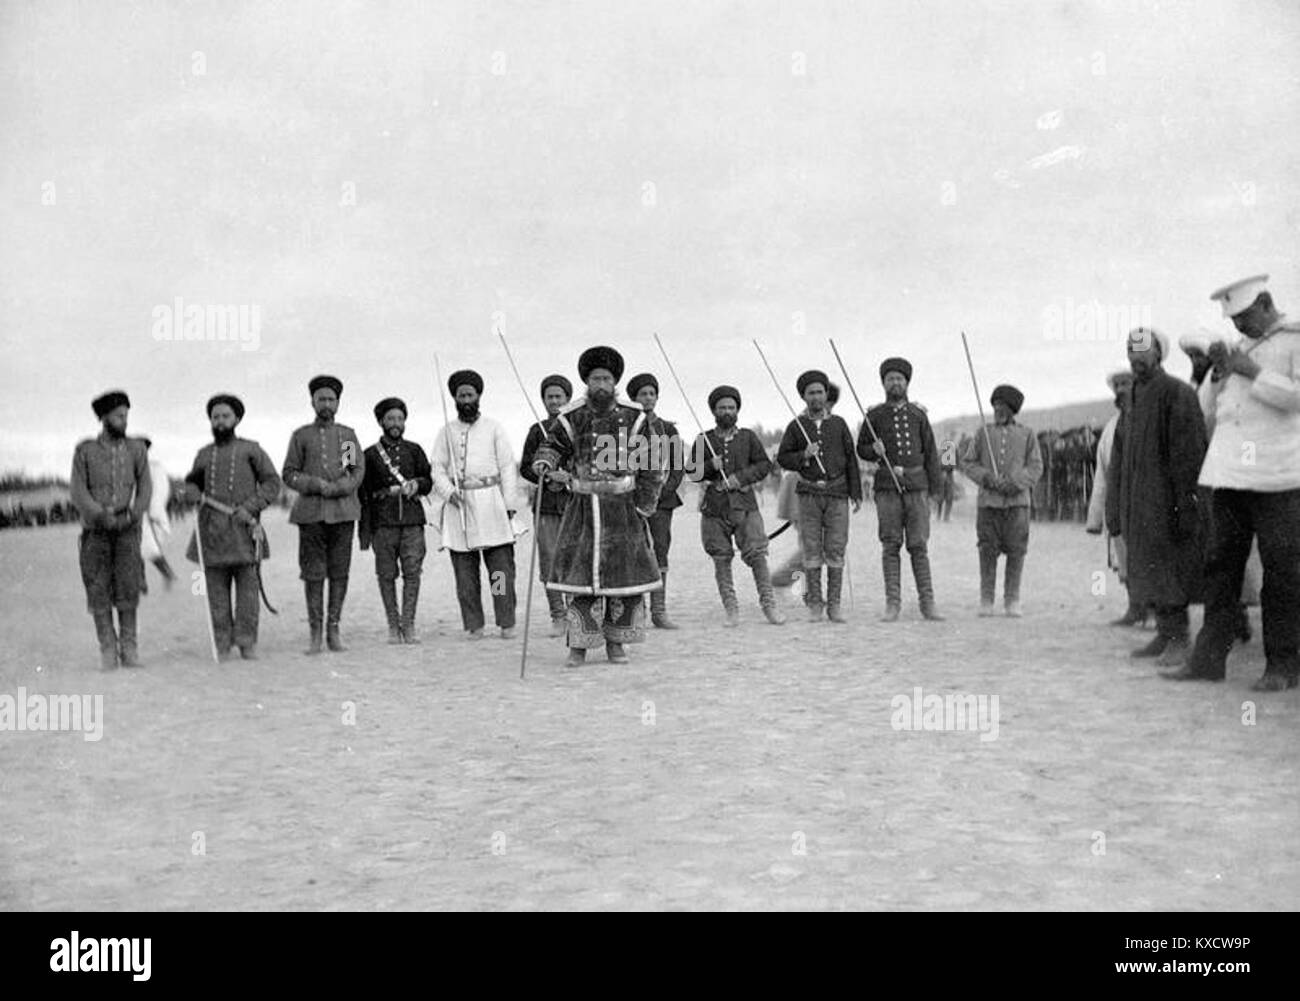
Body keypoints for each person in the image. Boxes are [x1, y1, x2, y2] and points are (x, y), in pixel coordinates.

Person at [1165, 276, 1300, 689]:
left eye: (1243, 317)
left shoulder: (1294, 339)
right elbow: (1206, 405)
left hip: (1278, 475)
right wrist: (1219, 371)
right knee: (1219, 568)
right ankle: (1208, 660)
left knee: (1282, 572)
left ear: (1265, 303)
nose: (1238, 327)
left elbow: (1296, 398)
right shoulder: (1239, 348)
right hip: (1228, 475)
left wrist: (1251, 371)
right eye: (1233, 320)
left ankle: (1282, 666)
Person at [531, 346, 667, 665]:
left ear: (615, 381)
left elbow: (652, 464)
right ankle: (578, 645)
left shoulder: (635, 417)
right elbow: (552, 445)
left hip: (623, 508)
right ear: (587, 382)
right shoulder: (572, 416)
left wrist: (644, 506)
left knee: (624, 580)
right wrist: (544, 461)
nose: (601, 385)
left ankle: (616, 644)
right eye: (595, 379)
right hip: (582, 508)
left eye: (607, 378)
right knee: (581, 579)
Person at [1105, 328, 1208, 668]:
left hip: (1168, 502)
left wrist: (1185, 506)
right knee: (1148, 568)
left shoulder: (1176, 393)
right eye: (1131, 353)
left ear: (1159, 354)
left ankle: (1180, 638)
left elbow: (1188, 455)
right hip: (1139, 503)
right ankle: (1165, 633)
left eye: (1143, 353)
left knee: (1171, 570)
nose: (1136, 360)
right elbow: (1119, 457)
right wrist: (1117, 506)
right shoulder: (1131, 397)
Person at [183, 394, 282, 660]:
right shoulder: (203, 455)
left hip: (244, 531)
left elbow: (273, 483)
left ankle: (247, 642)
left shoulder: (252, 450)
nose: (220, 421)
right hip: (212, 533)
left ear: (236, 419)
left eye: (226, 416)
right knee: (216, 594)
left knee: (248, 594)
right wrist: (190, 491)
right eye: (215, 417)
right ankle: (222, 644)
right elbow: (191, 483)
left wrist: (251, 507)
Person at [431, 369, 522, 640]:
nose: (466, 400)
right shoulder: (445, 432)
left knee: (500, 570)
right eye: (461, 395)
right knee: (465, 573)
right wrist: (449, 492)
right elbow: (437, 468)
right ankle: (474, 625)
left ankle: (506, 622)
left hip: (492, 503)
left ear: (479, 396)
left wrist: (508, 504)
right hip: (460, 506)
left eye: (470, 394)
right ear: (455, 399)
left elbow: (507, 467)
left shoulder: (494, 427)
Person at [282, 374, 365, 654]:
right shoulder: (301, 436)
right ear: (312, 402)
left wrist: (341, 487)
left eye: (331, 399)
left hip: (342, 513)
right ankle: (315, 632)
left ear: (338, 403)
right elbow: (289, 474)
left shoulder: (346, 436)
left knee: (340, 572)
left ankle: (334, 629)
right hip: (311, 514)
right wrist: (314, 484)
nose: (326, 404)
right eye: (321, 399)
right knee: (313, 573)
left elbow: (355, 471)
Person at [857, 357, 944, 622]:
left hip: (917, 488)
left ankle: (927, 604)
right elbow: (860, 448)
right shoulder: (873, 417)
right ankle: (892, 604)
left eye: (899, 379)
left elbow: (931, 454)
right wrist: (874, 450)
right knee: (890, 545)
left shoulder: (919, 416)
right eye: (890, 379)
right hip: (887, 489)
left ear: (907, 383)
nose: (895, 383)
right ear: (883, 383)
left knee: (919, 546)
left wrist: (936, 491)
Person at [70, 390, 152, 669]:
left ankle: (129, 649)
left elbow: (146, 488)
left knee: (128, 587)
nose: (124, 420)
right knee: (98, 587)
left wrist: (133, 513)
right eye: (118, 416)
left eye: (126, 415)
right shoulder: (85, 451)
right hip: (96, 530)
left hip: (127, 528)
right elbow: (78, 491)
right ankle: (107, 649)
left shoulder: (137, 449)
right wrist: (98, 514)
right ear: (103, 417)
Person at [777, 370, 861, 622]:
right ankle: (815, 604)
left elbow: (851, 460)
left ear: (826, 395)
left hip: (837, 494)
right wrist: (803, 454)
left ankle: (834, 606)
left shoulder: (839, 424)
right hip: (809, 495)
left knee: (836, 548)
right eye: (811, 393)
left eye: (820, 392)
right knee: (811, 549)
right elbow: (783, 458)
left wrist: (856, 493)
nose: (816, 397)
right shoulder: (796, 427)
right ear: (804, 397)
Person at [698, 386, 786, 627]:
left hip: (746, 507)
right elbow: (692, 472)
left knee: (757, 555)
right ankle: (731, 610)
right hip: (714, 509)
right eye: (721, 408)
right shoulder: (703, 439)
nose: (727, 411)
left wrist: (740, 478)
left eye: (731, 407)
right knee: (721, 558)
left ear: (737, 410)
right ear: (714, 411)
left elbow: (763, 465)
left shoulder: (748, 437)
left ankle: (769, 606)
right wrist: (708, 466)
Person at [959, 383, 1043, 616]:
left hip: (1018, 506)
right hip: (988, 504)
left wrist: (1015, 483)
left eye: (1004, 406)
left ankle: (1012, 600)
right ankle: (986, 600)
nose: (998, 409)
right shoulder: (982, 433)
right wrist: (987, 478)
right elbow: (967, 463)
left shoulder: (1027, 434)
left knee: (1017, 552)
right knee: (987, 551)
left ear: (1013, 409)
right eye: (996, 405)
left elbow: (1036, 466)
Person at [360, 397, 433, 644]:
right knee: (386, 574)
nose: (396, 423)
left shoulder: (415, 450)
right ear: (381, 421)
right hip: (383, 522)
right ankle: (393, 625)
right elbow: (361, 488)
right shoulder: (368, 454)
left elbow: (428, 480)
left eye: (400, 419)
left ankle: (408, 625)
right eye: (390, 418)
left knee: (413, 573)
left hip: (412, 521)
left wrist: (417, 484)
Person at [1085, 369, 1150, 626]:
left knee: (1148, 561)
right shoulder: (1111, 427)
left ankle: (1155, 614)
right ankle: (1135, 609)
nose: (1122, 389)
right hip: (1118, 504)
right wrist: (1095, 517)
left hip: (1145, 502)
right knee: (1124, 560)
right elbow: (1102, 474)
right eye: (1118, 385)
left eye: (1127, 383)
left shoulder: (1148, 418)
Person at [627, 372, 685, 630]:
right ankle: (637, 611)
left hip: (662, 502)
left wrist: (662, 492)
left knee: (660, 549)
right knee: (636, 552)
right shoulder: (624, 427)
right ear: (633, 398)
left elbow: (677, 466)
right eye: (642, 394)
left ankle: (659, 611)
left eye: (652, 393)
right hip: (631, 501)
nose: (648, 398)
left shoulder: (668, 429)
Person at [520, 374, 574, 637]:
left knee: (575, 558)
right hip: (547, 505)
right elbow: (525, 468)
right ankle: (558, 615)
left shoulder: (577, 427)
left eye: (559, 397)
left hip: (575, 502)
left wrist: (569, 476)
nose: (554, 401)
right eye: (549, 397)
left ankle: (577, 612)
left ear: (567, 399)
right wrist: (547, 474)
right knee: (550, 559)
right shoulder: (536, 430)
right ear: (543, 400)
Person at [772, 383, 840, 587]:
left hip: (815, 489)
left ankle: (800, 585)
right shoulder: (803, 424)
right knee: (811, 544)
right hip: (800, 488)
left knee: (814, 543)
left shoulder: (826, 423)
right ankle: (785, 580)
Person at [137, 435, 177, 589]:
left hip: (148, 516)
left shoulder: (154, 468)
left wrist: (154, 511)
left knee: (150, 549)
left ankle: (168, 574)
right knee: (134, 550)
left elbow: (160, 491)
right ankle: (140, 582)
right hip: (132, 515)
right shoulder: (129, 469)